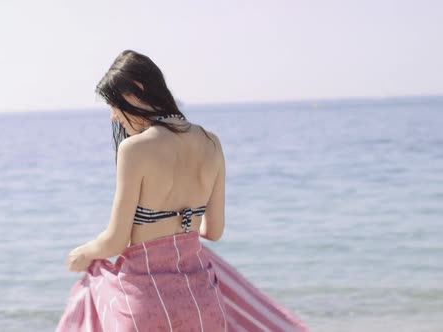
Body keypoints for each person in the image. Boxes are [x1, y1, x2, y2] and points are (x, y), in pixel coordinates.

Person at [56, 50, 309, 332]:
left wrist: (85, 253)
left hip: (146, 303)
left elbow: (116, 242)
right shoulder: (211, 142)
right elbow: (214, 232)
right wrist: (180, 229)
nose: (115, 117)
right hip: (202, 302)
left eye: (115, 105)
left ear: (137, 90)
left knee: (92, 287)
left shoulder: (135, 149)